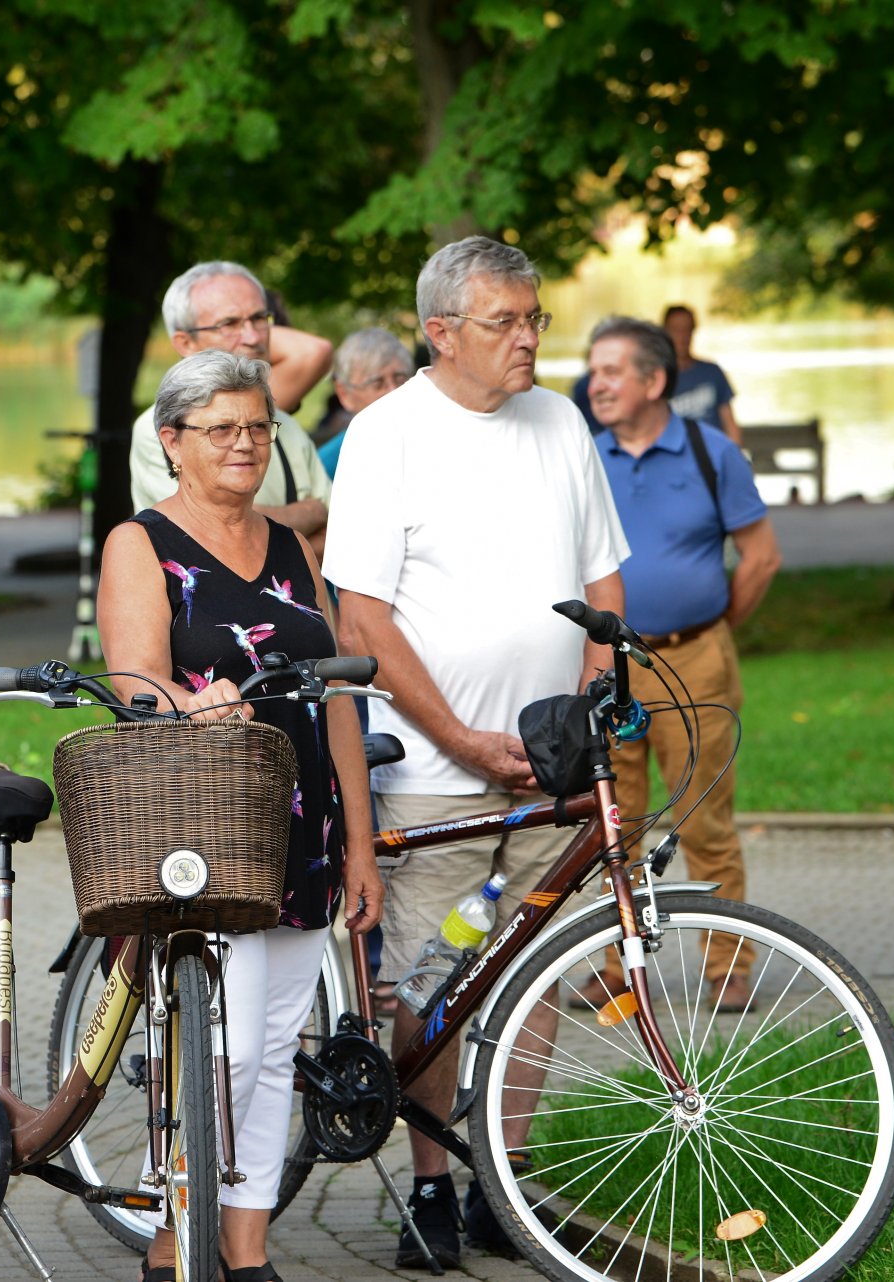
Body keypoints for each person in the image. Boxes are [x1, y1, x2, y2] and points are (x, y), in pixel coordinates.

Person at [325, 236, 629, 1267]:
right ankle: (431, 1184)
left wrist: (585, 721)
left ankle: (507, 1177)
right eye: (507, 322)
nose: (531, 339)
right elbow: (360, 611)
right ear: (440, 331)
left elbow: (603, 588)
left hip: (551, 770)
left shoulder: (559, 421)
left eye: (537, 317)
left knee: (536, 972)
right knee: (435, 980)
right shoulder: (387, 435)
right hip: (433, 768)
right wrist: (457, 734)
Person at [100, 349, 381, 1282]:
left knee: (273, 1051)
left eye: (257, 427)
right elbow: (135, 687)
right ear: (172, 441)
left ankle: (248, 1249)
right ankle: (176, 1241)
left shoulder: (296, 546)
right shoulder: (140, 544)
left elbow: (336, 694)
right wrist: (192, 702)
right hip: (207, 829)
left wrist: (362, 840)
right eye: (221, 428)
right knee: (222, 1050)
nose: (245, 445)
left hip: (305, 825)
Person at [579, 316, 781, 1013]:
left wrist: (714, 625)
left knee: (702, 818)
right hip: (610, 667)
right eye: (592, 370)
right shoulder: (584, 455)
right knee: (614, 824)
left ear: (654, 380)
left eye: (610, 371)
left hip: (693, 659)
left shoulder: (710, 451)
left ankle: (728, 965)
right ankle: (614, 966)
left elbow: (761, 556)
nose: (593, 383)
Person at [129, 261, 334, 553]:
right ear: (185, 342)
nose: (252, 337)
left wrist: (263, 534)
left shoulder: (285, 425)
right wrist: (310, 513)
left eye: (259, 318)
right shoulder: (163, 428)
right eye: (230, 324)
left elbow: (339, 533)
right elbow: (206, 537)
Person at [572, 304, 742, 443]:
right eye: (676, 330)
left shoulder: (711, 372)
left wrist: (733, 455)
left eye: (687, 329)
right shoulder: (649, 378)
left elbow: (730, 424)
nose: (682, 336)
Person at [315, 328, 414, 477]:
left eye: (400, 379)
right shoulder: (327, 467)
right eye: (377, 384)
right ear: (344, 393)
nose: (393, 391)